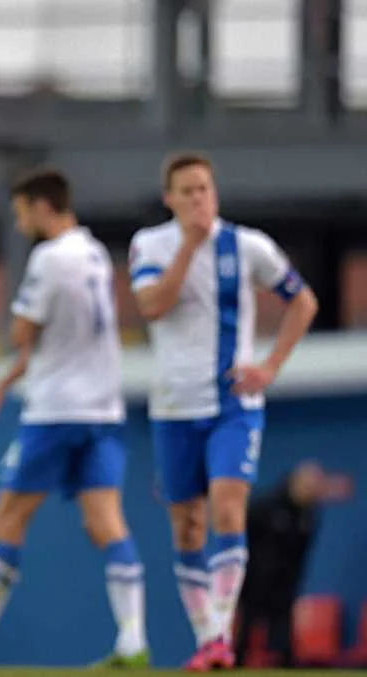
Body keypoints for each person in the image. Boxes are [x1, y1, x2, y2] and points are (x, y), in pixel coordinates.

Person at [0, 168, 148, 667]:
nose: (19, 224)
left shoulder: (49, 258)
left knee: (6, 517)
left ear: (43, 207)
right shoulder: (94, 255)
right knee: (106, 522)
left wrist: (15, 365)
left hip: (57, 411)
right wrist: (7, 380)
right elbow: (63, 340)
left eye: (20, 213)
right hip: (103, 408)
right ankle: (134, 642)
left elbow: (24, 331)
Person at [127, 152, 318, 671]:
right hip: (173, 407)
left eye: (205, 189)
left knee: (228, 508)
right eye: (187, 191)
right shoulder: (151, 244)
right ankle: (210, 635)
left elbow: (303, 301)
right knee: (187, 527)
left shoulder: (247, 245)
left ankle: (219, 642)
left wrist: (270, 366)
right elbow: (151, 306)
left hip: (234, 403)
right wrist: (189, 247)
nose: (198, 199)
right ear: (170, 199)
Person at [235, 461, 351, 667]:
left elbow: (301, 552)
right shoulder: (266, 507)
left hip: (285, 586)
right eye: (307, 484)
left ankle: (285, 665)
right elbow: (239, 535)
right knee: (245, 635)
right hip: (253, 582)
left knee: (283, 642)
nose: (310, 490)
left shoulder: (308, 515)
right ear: (294, 482)